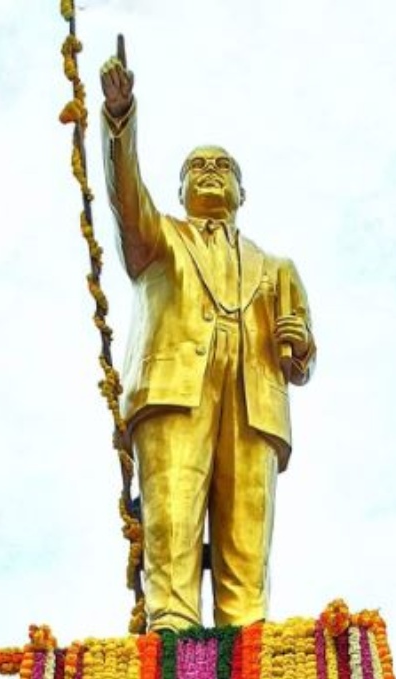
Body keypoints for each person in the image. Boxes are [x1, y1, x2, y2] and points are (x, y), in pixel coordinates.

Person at [100, 51, 316, 632]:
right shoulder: (159, 240)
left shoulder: (276, 269)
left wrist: (299, 348)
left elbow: (299, 358)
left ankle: (246, 637)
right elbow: (126, 201)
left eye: (224, 168)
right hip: (175, 391)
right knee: (172, 523)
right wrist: (120, 121)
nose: (211, 173)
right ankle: (172, 627)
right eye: (198, 167)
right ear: (181, 189)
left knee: (246, 545)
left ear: (242, 192)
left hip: (254, 404)